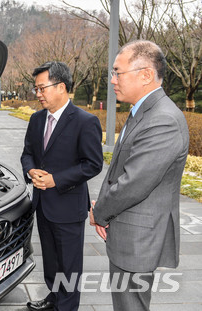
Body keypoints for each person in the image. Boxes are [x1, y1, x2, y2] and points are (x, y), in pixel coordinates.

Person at [90, 40, 189, 311]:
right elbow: (120, 171)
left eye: (117, 72)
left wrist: (100, 213)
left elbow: (133, 183)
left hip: (139, 238)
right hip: (129, 231)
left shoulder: (162, 119)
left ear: (145, 74)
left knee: (130, 305)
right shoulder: (144, 112)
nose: (112, 80)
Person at [21, 61, 103, 311]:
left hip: (68, 207)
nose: (38, 94)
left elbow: (93, 164)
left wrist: (56, 179)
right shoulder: (36, 119)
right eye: (36, 89)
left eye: (42, 88)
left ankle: (67, 306)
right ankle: (54, 299)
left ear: (61, 87)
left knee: (69, 266)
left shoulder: (85, 121)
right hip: (43, 206)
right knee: (52, 261)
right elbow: (27, 154)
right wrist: (30, 170)